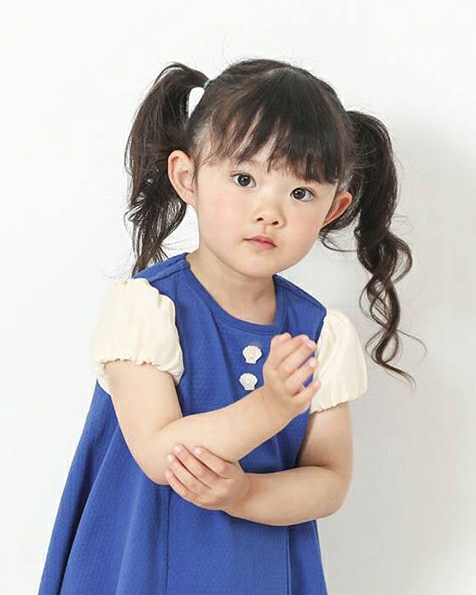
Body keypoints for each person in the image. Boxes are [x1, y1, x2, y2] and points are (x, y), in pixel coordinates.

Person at [38, 58, 420, 594]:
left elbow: (329, 480)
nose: (270, 211)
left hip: (255, 573)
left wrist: (245, 495)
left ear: (334, 208)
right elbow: (160, 453)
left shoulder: (321, 333)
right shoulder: (146, 308)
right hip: (142, 567)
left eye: (301, 193)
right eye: (244, 179)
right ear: (187, 177)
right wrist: (272, 406)